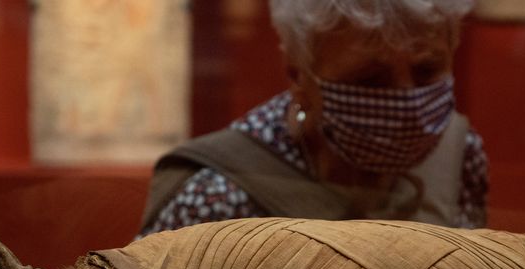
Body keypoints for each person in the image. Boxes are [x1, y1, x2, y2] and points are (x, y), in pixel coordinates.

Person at [138, 0, 488, 240]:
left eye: (426, 70)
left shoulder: (458, 155)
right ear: (298, 75)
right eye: (369, 79)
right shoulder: (219, 194)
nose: (409, 101)